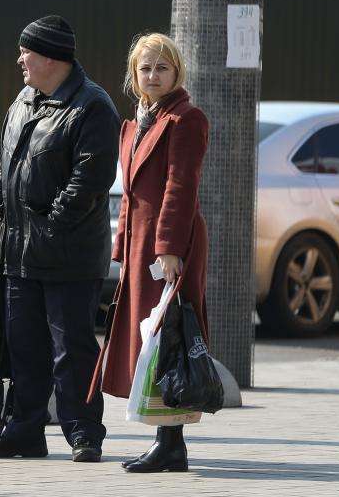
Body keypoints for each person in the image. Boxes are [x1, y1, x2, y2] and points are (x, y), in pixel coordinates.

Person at [0, 15, 119, 463]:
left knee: (72, 350)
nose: (19, 60)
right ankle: (25, 431)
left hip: (68, 255)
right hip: (19, 253)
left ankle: (84, 433)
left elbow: (88, 181)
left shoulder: (91, 106)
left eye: (26, 53)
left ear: (52, 58)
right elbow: (6, 166)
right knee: (24, 348)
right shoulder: (22, 101)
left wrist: (50, 227)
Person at [100, 32, 209, 474]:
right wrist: (122, 246)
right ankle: (167, 442)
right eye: (145, 68)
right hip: (140, 245)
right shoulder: (137, 122)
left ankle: (170, 442)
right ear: (134, 75)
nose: (153, 75)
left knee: (169, 338)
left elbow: (181, 186)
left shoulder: (186, 118)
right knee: (150, 341)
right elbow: (129, 193)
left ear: (176, 71)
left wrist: (168, 248)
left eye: (162, 67)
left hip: (168, 245)